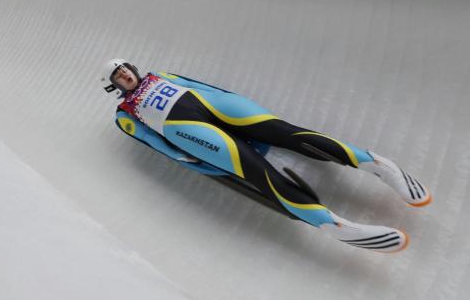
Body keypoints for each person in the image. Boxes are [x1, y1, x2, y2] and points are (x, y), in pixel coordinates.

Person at [102, 59, 431, 253]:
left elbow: (205, 87)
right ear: (113, 85)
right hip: (190, 133)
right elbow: (151, 142)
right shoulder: (124, 115)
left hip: (220, 108)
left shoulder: (164, 76)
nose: (126, 75)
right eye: (119, 76)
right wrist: (189, 161)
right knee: (255, 171)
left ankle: (375, 163)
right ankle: (334, 225)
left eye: (126, 69)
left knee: (286, 132)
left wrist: (239, 102)